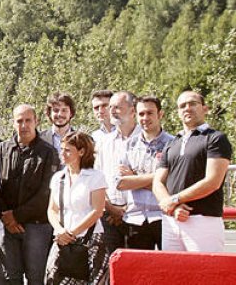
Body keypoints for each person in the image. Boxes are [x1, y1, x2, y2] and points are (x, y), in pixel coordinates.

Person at [151, 90, 232, 253]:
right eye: (182, 106)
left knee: (207, 275)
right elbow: (158, 181)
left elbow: (213, 181)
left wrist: (174, 200)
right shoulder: (172, 143)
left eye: (192, 104)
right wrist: (173, 207)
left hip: (203, 221)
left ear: (205, 108)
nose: (187, 108)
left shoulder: (216, 138)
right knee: (172, 275)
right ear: (178, 113)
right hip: (171, 221)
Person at [0, 105, 57, 285]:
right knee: (11, 277)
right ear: (13, 123)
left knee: (36, 277)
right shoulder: (1, 150)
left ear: (36, 122)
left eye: (28, 120)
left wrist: (16, 216)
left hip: (37, 225)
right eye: (19, 121)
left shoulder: (48, 152)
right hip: (6, 225)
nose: (24, 125)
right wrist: (6, 217)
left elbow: (46, 192)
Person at [45, 132, 106, 285]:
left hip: (89, 240)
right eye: (62, 149)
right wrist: (60, 231)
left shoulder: (95, 177)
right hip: (62, 240)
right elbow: (52, 209)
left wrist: (73, 233)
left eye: (67, 150)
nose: (62, 154)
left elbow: (97, 210)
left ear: (81, 152)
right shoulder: (58, 178)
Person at [114, 95, 173, 249]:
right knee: (138, 272)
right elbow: (120, 183)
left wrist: (134, 178)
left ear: (160, 114)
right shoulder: (129, 145)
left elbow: (173, 182)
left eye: (150, 113)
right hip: (135, 219)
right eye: (141, 114)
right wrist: (158, 179)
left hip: (164, 217)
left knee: (167, 269)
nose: (145, 118)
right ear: (135, 114)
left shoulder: (173, 144)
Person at [98, 91, 139, 255]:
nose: (113, 111)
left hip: (138, 214)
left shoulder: (145, 140)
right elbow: (97, 178)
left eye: (118, 107)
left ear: (132, 110)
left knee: (136, 269)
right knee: (111, 269)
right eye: (111, 107)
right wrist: (110, 208)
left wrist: (126, 210)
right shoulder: (104, 142)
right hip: (109, 216)